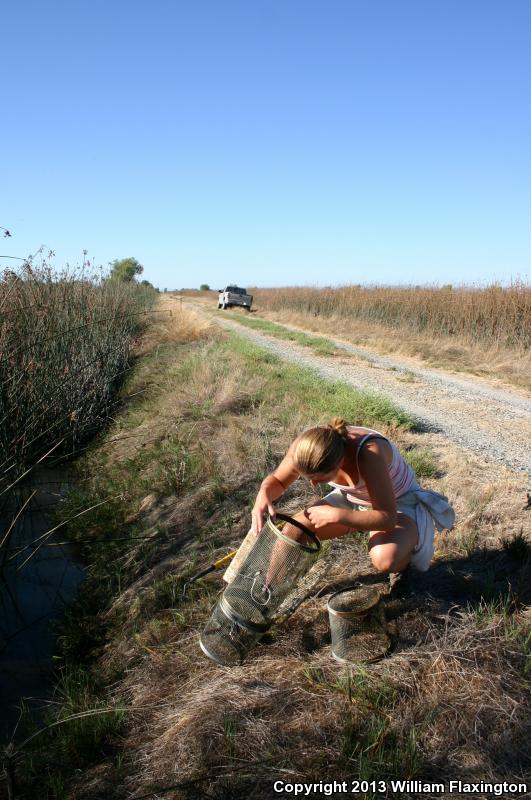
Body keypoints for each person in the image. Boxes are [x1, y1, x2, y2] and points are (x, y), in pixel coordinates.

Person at [251, 418, 455, 575]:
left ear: (340, 462)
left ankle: (404, 569)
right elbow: (278, 481)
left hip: (398, 501)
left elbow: (387, 517)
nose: (313, 484)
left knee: (385, 559)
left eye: (319, 479)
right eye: (308, 478)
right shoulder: (306, 447)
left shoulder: (369, 454)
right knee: (293, 530)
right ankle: (267, 590)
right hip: (353, 498)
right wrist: (264, 493)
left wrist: (336, 516)